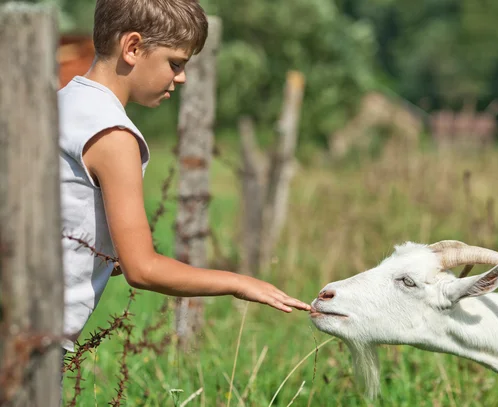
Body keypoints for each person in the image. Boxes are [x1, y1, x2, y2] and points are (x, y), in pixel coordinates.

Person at [59, 0, 311, 354]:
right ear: (132, 47)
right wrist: (238, 283)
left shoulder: (60, 104)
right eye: (175, 63)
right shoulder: (113, 135)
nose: (182, 77)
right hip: (34, 344)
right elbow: (142, 268)